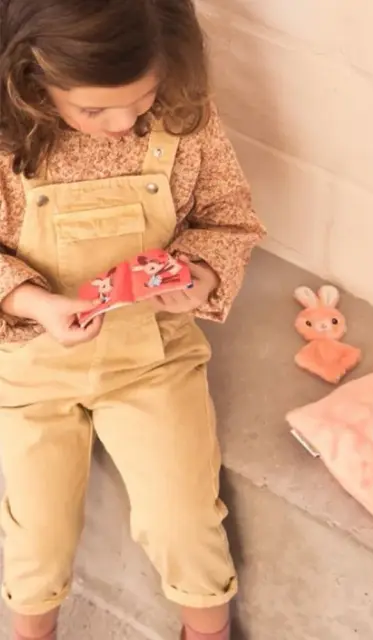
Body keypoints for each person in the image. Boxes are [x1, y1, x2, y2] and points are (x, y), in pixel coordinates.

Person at [0, 1, 266, 638]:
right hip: (33, 364)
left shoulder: (183, 119)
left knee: (183, 516)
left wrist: (197, 278)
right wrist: (37, 303)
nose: (123, 124)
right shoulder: (8, 143)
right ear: (32, 78)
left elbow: (228, 219)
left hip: (152, 357)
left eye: (140, 100)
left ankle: (207, 629)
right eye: (94, 110)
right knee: (36, 532)